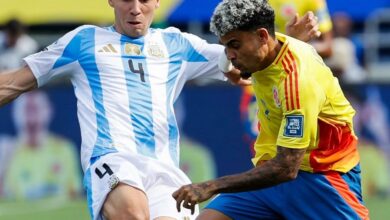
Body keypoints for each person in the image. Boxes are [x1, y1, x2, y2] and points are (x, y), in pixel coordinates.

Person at [0, 0, 253, 219]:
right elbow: (14, 83)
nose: (135, 10)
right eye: (126, 1)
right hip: (112, 159)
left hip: (163, 169)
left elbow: (243, 56)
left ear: (157, 2)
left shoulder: (179, 44)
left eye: (143, 1)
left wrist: (244, 63)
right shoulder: (83, 41)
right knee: (132, 213)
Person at [173, 0, 369, 219]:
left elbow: (286, 168)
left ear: (263, 36)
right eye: (225, 45)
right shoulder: (264, 49)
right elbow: (233, 64)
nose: (229, 54)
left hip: (321, 177)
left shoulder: (297, 81)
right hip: (269, 175)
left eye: (234, 45)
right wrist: (227, 63)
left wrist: (210, 186)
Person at [240, 0, 332, 151]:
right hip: (258, 90)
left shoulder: (313, 2)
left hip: (296, 87)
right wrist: (291, 43)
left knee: (297, 153)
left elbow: (328, 48)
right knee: (263, 152)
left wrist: (293, 45)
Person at [2, 90, 82, 201]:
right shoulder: (6, 151)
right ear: (15, 113)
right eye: (26, 109)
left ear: (49, 111)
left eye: (35, 109)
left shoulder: (64, 148)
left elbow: (76, 194)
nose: (31, 117)